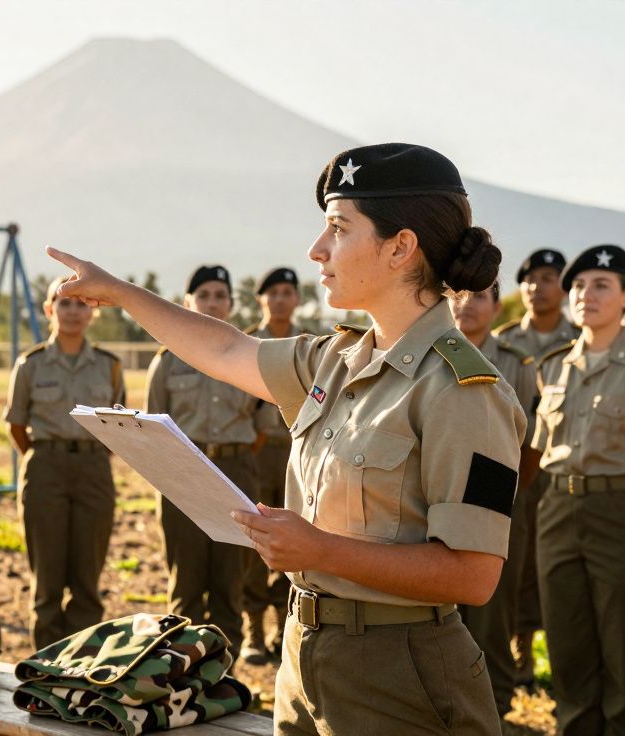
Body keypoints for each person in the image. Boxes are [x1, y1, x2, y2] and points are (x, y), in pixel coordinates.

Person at [49, 143, 525, 734]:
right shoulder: (336, 360)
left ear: (401, 247)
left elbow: (473, 575)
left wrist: (318, 550)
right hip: (305, 656)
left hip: (400, 672)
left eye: (338, 229)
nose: (316, 249)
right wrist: (118, 291)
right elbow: (224, 349)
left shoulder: (465, 391)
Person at [531, 245, 625, 735]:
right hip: (558, 509)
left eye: (601, 285)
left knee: (624, 654)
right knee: (568, 650)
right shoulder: (551, 367)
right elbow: (537, 448)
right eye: (577, 285)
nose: (585, 294)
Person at [144, 264, 259, 658]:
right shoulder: (166, 361)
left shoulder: (250, 357)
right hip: (183, 476)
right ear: (187, 302)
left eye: (220, 296)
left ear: (230, 304)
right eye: (204, 295)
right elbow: (153, 428)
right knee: (188, 582)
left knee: (230, 581)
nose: (212, 303)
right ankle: (183, 678)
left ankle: (225, 676)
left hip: (236, 472)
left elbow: (261, 424)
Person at [4, 276, 124, 648]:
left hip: (93, 470)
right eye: (63, 302)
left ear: (93, 312)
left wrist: (87, 457)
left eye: (81, 303)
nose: (72, 311)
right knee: (47, 579)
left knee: (87, 578)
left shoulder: (109, 366)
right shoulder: (30, 365)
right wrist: (48, 458)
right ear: (48, 310)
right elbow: (17, 426)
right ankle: (46, 665)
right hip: (45, 468)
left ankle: (84, 661)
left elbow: (118, 423)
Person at [450, 282, 540, 717]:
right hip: (436, 493)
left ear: (497, 306)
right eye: (458, 295)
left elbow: (532, 444)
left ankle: (496, 705)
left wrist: (507, 494)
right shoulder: (427, 351)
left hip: (496, 493)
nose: (466, 305)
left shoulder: (517, 364)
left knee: (493, 609)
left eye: (479, 296)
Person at [493, 247, 579, 685]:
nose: (535, 287)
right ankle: (518, 648)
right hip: (512, 471)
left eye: (547, 278)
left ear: (564, 288)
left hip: (561, 471)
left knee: (555, 562)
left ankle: (543, 648)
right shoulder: (506, 342)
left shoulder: (583, 338)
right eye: (528, 279)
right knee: (514, 559)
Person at [241, 267, 310, 664]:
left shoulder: (314, 343)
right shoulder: (246, 343)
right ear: (260, 299)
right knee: (255, 538)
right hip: (256, 453)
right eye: (274, 292)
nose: (281, 299)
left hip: (299, 450)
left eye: (288, 292)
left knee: (296, 537)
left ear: (297, 299)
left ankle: (287, 627)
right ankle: (253, 631)